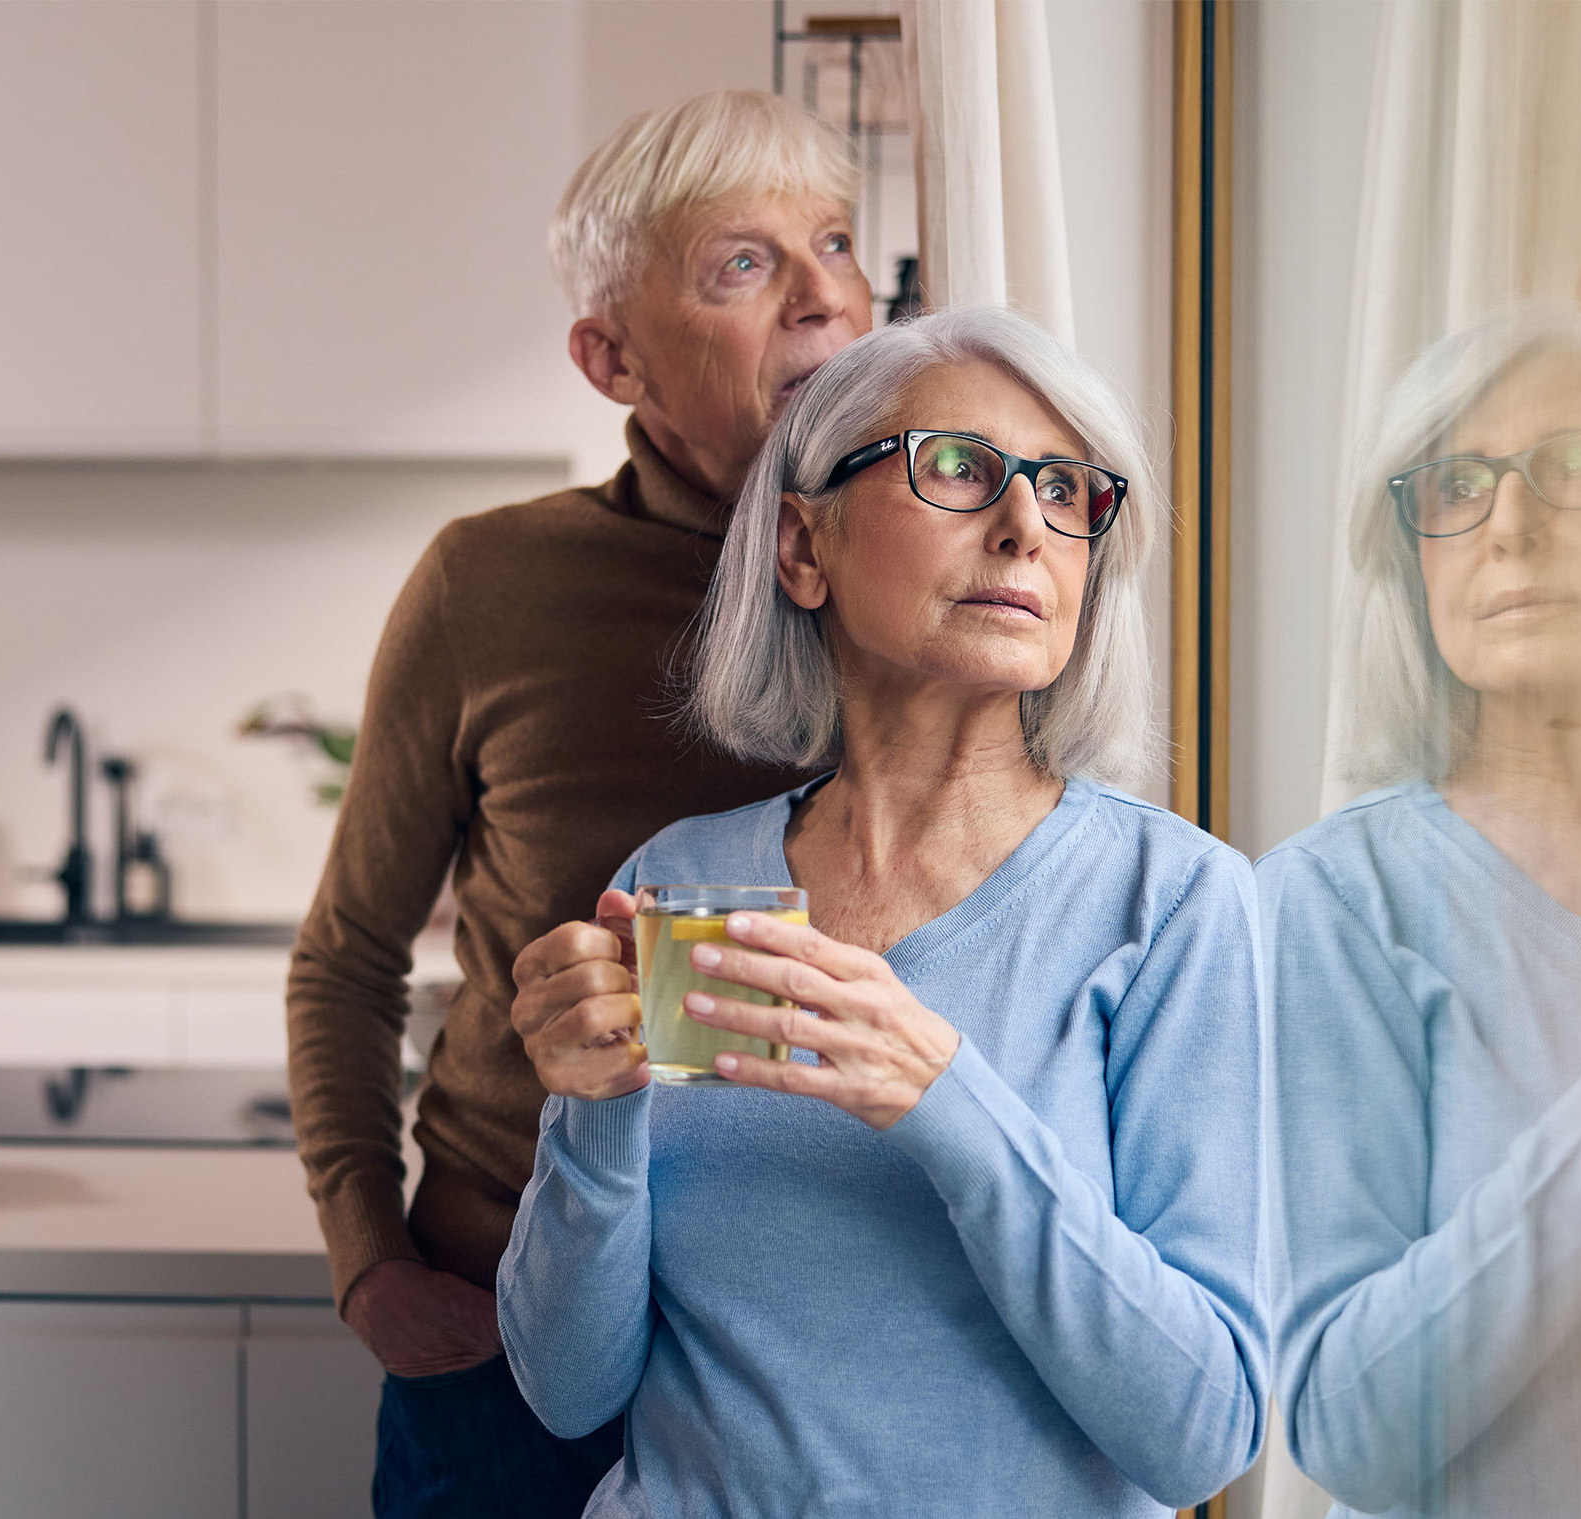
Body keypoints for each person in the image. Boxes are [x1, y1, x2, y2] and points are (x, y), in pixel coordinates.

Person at [499, 307, 1268, 1515]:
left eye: (1070, 493)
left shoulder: (1168, 904)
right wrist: (590, 1118)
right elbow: (569, 1389)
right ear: (803, 546)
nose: (1026, 524)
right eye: (957, 468)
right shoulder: (679, 884)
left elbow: (1201, 1434)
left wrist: (942, 1096)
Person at [284, 89, 873, 1518]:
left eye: (841, 245)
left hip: (805, 1349)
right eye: (742, 263)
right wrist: (371, 1262)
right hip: (500, 1335)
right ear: (612, 357)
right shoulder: (485, 582)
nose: (822, 299)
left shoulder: (923, 569)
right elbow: (348, 961)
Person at [1258, 306, 1581, 1518]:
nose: (1508, 526)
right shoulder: (1337, 904)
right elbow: (1347, 1428)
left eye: (1577, 465)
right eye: (1455, 483)